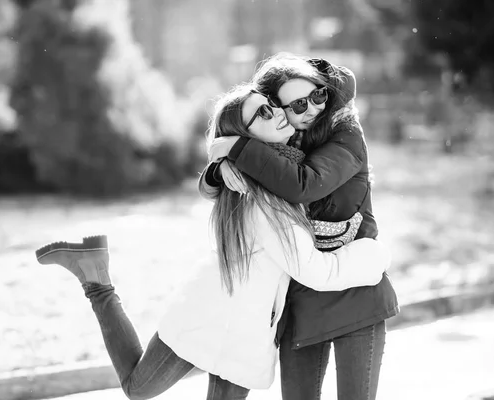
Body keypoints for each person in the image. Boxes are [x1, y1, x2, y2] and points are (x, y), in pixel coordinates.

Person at [35, 84, 391, 400]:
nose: (278, 112)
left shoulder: (264, 173)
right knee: (137, 389)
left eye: (271, 104)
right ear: (247, 137)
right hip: (209, 318)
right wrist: (372, 254)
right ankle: (97, 285)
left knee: (138, 390)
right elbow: (314, 271)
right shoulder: (267, 196)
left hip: (247, 332)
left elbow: (335, 87)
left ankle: (94, 271)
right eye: (263, 114)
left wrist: (225, 162)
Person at [200, 53, 399, 400]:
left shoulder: (345, 130)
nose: (313, 108)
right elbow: (213, 191)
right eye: (298, 104)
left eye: (318, 95)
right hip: (301, 301)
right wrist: (220, 167)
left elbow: (305, 184)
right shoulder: (274, 144)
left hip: (357, 293)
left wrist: (238, 147)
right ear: (276, 109)